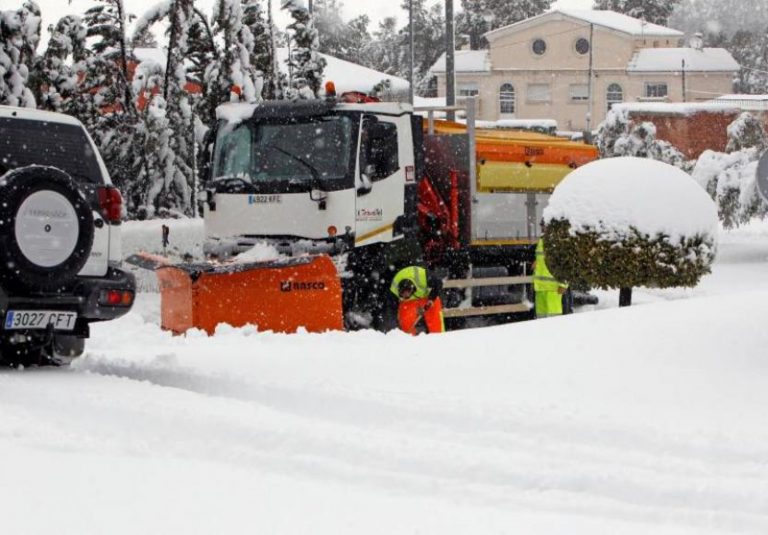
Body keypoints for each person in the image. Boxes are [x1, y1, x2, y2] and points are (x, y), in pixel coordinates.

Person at [390, 266, 445, 335]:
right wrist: (396, 315)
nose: (405, 296)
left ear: (412, 289)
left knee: (435, 320)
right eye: (403, 295)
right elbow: (392, 305)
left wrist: (431, 299)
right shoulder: (394, 287)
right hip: (407, 303)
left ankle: (438, 337)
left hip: (427, 296)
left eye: (407, 294)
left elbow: (439, 283)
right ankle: (409, 340)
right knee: (405, 321)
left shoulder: (423, 276)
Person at [533, 237, 569, 318]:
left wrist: (564, 284)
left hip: (553, 289)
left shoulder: (558, 241)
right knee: (541, 318)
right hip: (540, 288)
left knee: (554, 317)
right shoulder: (541, 241)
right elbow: (540, 258)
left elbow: (566, 264)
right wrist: (536, 262)